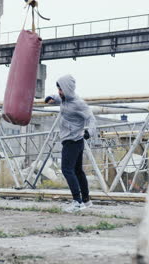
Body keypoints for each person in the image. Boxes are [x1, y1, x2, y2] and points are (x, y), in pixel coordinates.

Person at [45, 74, 97, 212]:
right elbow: (59, 99)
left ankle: (77, 201)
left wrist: (89, 132)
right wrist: (50, 98)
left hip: (72, 141)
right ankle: (86, 200)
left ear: (67, 89)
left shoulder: (78, 103)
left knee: (67, 170)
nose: (59, 92)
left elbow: (91, 118)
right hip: (74, 141)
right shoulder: (65, 99)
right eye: (58, 89)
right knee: (78, 171)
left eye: (60, 90)